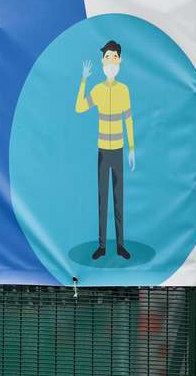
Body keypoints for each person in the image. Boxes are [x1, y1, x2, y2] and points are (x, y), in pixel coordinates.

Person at [75, 40, 135, 260]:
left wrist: (132, 149)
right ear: (102, 61)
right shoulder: (98, 90)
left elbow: (128, 119)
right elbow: (80, 107)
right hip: (103, 152)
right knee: (103, 200)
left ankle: (120, 245)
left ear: (119, 60)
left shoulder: (124, 90)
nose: (110, 61)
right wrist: (83, 80)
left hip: (118, 150)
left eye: (114, 57)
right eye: (107, 57)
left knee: (118, 200)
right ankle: (102, 246)